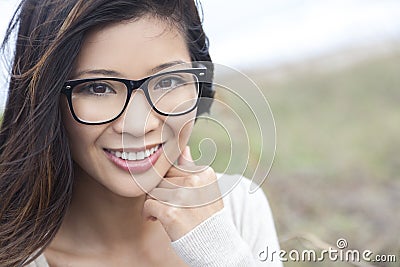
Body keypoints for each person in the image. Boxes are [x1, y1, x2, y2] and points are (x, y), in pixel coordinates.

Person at [0, 0, 282, 266]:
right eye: (99, 88)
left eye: (168, 81)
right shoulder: (15, 255)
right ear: (46, 101)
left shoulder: (237, 207)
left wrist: (217, 250)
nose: (137, 126)